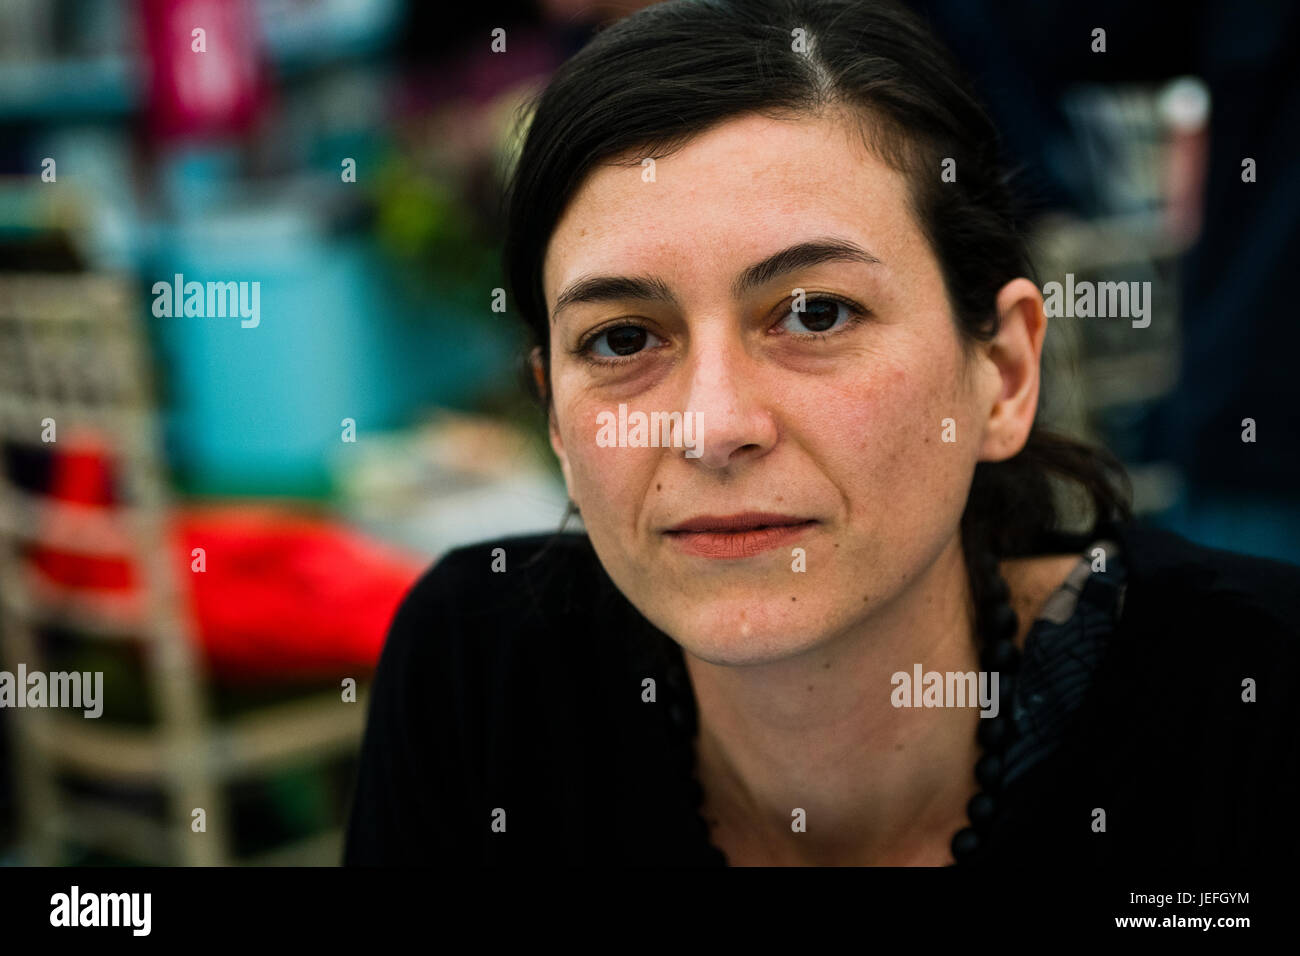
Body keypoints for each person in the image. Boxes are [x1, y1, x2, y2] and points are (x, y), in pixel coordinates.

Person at [344, 0, 1299, 866]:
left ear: (1003, 374)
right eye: (624, 337)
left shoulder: (1247, 711)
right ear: (554, 411)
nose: (714, 428)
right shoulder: (478, 677)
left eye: (815, 316)